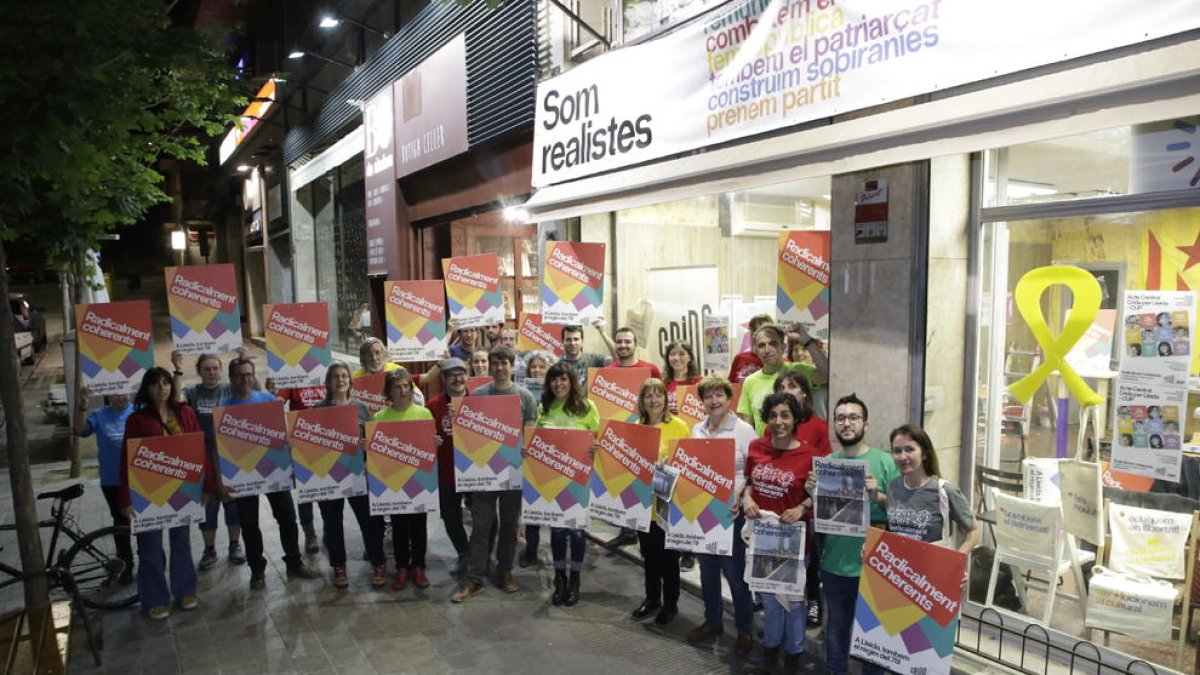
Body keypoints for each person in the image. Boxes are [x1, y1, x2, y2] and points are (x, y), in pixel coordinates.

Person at [805, 394, 897, 675]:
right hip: (834, 564)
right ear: (835, 424)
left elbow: (901, 513)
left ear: (866, 424)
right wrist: (813, 493)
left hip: (873, 566)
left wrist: (877, 495)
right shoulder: (826, 463)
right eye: (841, 418)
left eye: (853, 418)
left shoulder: (885, 462)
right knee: (836, 633)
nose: (847, 423)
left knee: (873, 638)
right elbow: (823, 516)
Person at [119, 367, 215, 619]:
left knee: (181, 542)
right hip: (148, 492)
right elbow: (125, 461)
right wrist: (125, 499)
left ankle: (184, 591)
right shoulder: (137, 420)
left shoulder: (185, 413)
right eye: (155, 383)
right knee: (150, 547)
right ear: (146, 388)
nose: (161, 387)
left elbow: (199, 449)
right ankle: (154, 599)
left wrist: (207, 486)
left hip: (182, 489)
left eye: (165, 383)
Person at [222, 357, 320, 589]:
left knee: (287, 518)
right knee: (249, 524)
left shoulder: (268, 401)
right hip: (243, 476)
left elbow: (283, 439)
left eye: (248, 374)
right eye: (239, 375)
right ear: (231, 378)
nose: (245, 379)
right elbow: (221, 447)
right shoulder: (224, 408)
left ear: (253, 376)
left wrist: (291, 465)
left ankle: (294, 562)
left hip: (273, 471)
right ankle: (257, 570)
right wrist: (222, 480)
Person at [452, 346, 538, 602]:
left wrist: (527, 446)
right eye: (495, 363)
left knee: (510, 525)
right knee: (481, 526)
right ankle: (474, 578)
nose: (499, 367)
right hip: (484, 471)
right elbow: (468, 433)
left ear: (512, 365)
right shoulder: (477, 395)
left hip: (513, 471)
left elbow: (530, 431)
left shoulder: (525, 397)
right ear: (490, 366)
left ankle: (504, 571)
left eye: (504, 363)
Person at [742, 393, 821, 671]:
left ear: (795, 418)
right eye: (773, 415)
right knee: (771, 603)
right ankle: (770, 654)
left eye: (785, 415)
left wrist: (802, 507)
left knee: (796, 604)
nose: (779, 421)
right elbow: (750, 482)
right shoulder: (756, 447)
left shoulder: (811, 455)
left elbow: (820, 494)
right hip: (764, 539)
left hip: (795, 542)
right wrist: (747, 499)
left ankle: (793, 658)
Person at [687, 376, 757, 656]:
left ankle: (744, 631)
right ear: (701, 401)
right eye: (708, 396)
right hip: (704, 512)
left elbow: (753, 473)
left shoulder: (744, 431)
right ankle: (713, 621)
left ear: (730, 399)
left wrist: (743, 495)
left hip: (732, 513)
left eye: (719, 395)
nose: (713, 401)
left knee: (736, 575)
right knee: (707, 570)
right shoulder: (696, 430)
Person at [311, 362, 387, 589]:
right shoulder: (317, 410)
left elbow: (373, 441)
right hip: (329, 477)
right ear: (328, 382)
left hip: (358, 475)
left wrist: (367, 445)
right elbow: (311, 445)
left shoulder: (361, 408)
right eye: (335, 376)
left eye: (344, 376)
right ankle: (339, 568)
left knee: (370, 522)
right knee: (332, 524)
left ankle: (379, 563)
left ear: (350, 382)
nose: (340, 380)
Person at [532, 362, 600, 606]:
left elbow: (599, 438)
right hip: (551, 480)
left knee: (577, 530)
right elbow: (535, 440)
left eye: (563, 379)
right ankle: (559, 577)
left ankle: (575, 579)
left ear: (572, 382)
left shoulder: (587, 407)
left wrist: (595, 448)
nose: (558, 384)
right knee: (557, 531)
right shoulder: (544, 408)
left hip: (578, 479)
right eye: (554, 380)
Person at [171, 352, 244, 570]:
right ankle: (209, 550)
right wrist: (177, 369)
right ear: (199, 372)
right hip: (203, 458)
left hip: (230, 456)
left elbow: (253, 391)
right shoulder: (193, 392)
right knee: (208, 506)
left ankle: (234, 545)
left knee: (232, 504)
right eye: (206, 369)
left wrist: (243, 359)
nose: (211, 373)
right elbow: (176, 400)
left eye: (215, 368)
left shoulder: (229, 389)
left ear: (221, 371)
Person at [771, 371, 832, 626]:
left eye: (792, 386)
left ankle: (813, 601)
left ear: (804, 394)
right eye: (781, 386)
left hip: (809, 505)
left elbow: (827, 467)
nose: (786, 390)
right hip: (780, 506)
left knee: (812, 559)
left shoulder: (818, 426)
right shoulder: (772, 425)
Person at [632, 378, 690, 625]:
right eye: (648, 396)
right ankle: (652, 598)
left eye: (658, 395)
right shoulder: (636, 427)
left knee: (668, 559)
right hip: (643, 504)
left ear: (666, 399)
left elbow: (688, 465)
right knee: (649, 556)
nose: (653, 400)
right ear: (642, 401)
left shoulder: (679, 427)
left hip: (668, 505)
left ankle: (670, 604)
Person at [373, 367, 435, 589]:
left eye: (406, 386)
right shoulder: (380, 417)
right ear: (388, 391)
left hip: (418, 480)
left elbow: (428, 448)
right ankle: (401, 567)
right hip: (394, 482)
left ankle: (418, 566)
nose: (402, 390)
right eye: (397, 387)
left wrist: (433, 444)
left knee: (419, 526)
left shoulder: (423, 414)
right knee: (399, 526)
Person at [882, 424, 980, 559]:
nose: (902, 457)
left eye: (909, 449)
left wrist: (956, 560)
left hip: (931, 572)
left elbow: (973, 530)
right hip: (899, 570)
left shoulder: (945, 491)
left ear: (924, 454)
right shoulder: (892, 487)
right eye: (897, 451)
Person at [74, 387, 135, 584]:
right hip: (112, 481)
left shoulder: (138, 412)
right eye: (114, 392)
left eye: (123, 391)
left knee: (144, 524)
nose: (120, 396)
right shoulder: (99, 415)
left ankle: (151, 563)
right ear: (107, 394)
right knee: (120, 523)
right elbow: (80, 430)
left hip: (138, 480)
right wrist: (83, 404)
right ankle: (126, 565)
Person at [736, 324, 828, 433]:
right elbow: (748, 425)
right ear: (756, 351)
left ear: (783, 347)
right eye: (761, 345)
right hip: (765, 447)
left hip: (796, 445)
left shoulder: (798, 371)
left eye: (773, 343)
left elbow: (827, 374)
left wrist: (806, 340)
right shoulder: (749, 382)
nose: (767, 350)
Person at [427, 358, 472, 575]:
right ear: (444, 379)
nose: (457, 378)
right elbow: (424, 438)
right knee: (450, 516)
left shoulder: (479, 401)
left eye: (461, 373)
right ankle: (464, 553)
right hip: (446, 472)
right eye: (451, 375)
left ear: (467, 376)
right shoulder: (433, 405)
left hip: (478, 472)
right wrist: (430, 440)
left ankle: (480, 552)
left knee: (486, 516)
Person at [559, 321, 613, 385]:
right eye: (568, 340)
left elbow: (617, 359)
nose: (572, 343)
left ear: (582, 341)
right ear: (562, 341)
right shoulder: (557, 364)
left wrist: (603, 333)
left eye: (576, 339)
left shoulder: (593, 360)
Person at [728, 313, 773, 384]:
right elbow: (731, 386)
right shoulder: (740, 358)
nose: (756, 335)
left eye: (761, 330)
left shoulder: (777, 361)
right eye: (753, 330)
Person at [663, 339, 702, 414]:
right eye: (672, 354)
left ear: (690, 358)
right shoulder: (663, 383)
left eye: (682, 354)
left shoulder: (699, 382)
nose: (676, 358)